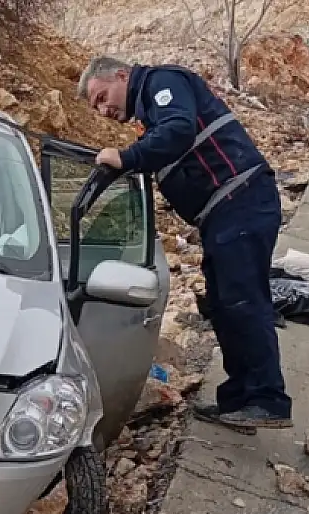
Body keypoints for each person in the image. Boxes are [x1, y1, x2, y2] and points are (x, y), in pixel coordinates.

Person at [75, 56, 293, 432]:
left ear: (122, 76)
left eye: (101, 97)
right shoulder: (151, 116)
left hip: (240, 200)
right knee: (224, 305)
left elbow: (178, 130)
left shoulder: (163, 84)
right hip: (223, 212)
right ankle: (239, 400)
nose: (103, 110)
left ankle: (267, 399)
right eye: (96, 106)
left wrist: (127, 158)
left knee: (243, 300)